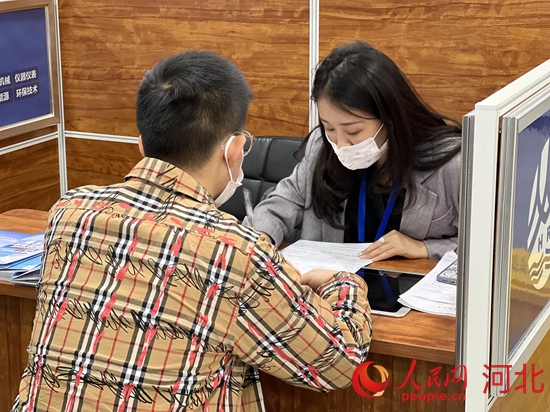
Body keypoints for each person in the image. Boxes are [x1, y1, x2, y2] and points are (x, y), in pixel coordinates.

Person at [12, 50, 371, 412]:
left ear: (142, 144)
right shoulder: (234, 253)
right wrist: (344, 283)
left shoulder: (68, 212)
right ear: (234, 150)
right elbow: (339, 363)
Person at [246, 41, 462, 261]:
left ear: (390, 119)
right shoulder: (321, 146)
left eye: (353, 131)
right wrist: (262, 235)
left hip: (406, 283)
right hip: (331, 281)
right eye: (329, 128)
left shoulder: (452, 164)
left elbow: (481, 245)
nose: (340, 144)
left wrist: (424, 248)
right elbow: (284, 202)